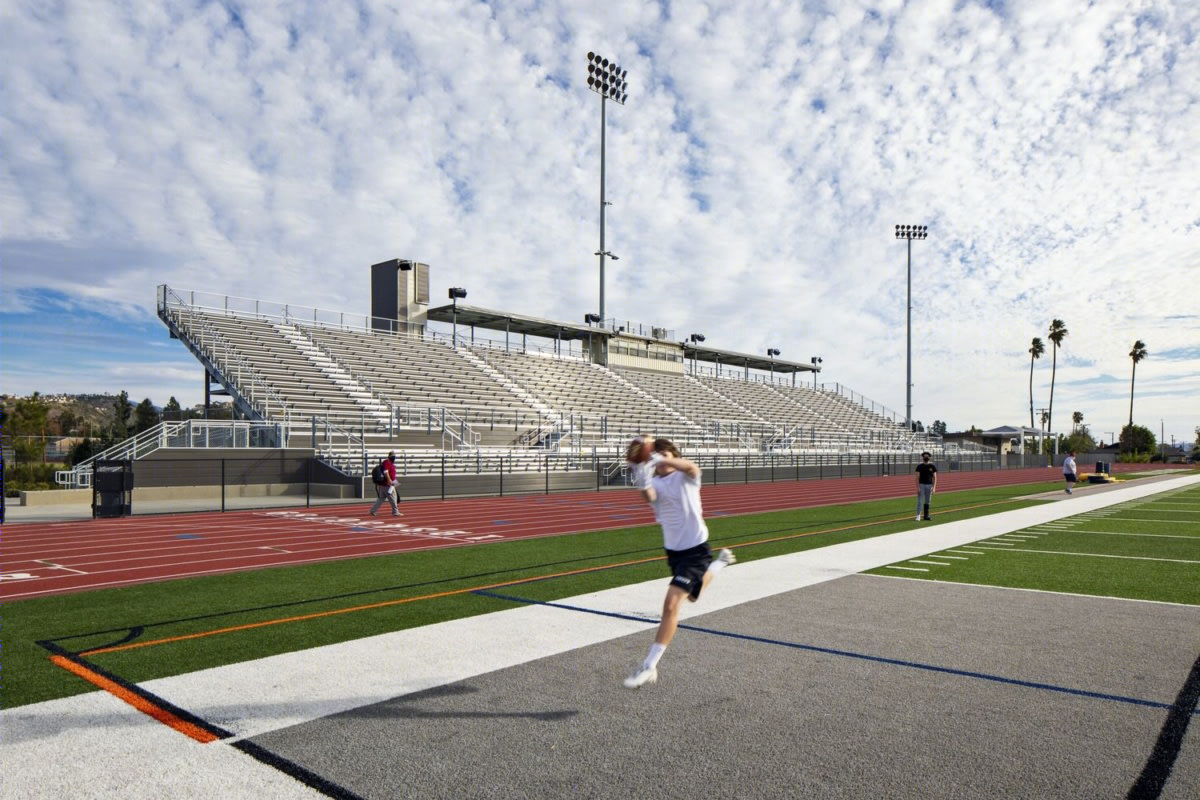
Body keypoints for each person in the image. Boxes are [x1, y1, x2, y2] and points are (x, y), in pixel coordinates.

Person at [622, 435, 736, 689]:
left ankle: (649, 665)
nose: (660, 462)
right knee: (693, 597)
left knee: (671, 603)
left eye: (665, 456)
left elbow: (693, 467)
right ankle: (720, 563)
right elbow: (648, 495)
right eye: (657, 457)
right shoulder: (656, 482)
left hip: (696, 550)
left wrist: (663, 457)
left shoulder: (686, 476)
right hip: (674, 554)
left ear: (674, 455)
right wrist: (641, 476)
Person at [369, 451, 401, 516]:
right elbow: (385, 471)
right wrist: (389, 480)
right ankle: (395, 511)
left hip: (387, 484)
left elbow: (393, 476)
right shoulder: (387, 462)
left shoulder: (391, 464)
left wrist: (396, 483)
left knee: (381, 498)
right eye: (392, 456)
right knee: (393, 498)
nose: (393, 458)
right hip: (388, 484)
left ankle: (373, 510)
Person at [915, 451, 937, 521]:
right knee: (920, 501)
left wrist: (934, 487)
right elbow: (917, 478)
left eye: (927, 456)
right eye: (925, 456)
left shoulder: (932, 466)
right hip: (922, 485)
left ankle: (926, 516)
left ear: (929, 457)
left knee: (928, 501)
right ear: (923, 457)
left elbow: (935, 477)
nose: (926, 457)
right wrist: (918, 487)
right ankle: (918, 515)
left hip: (929, 485)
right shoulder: (919, 466)